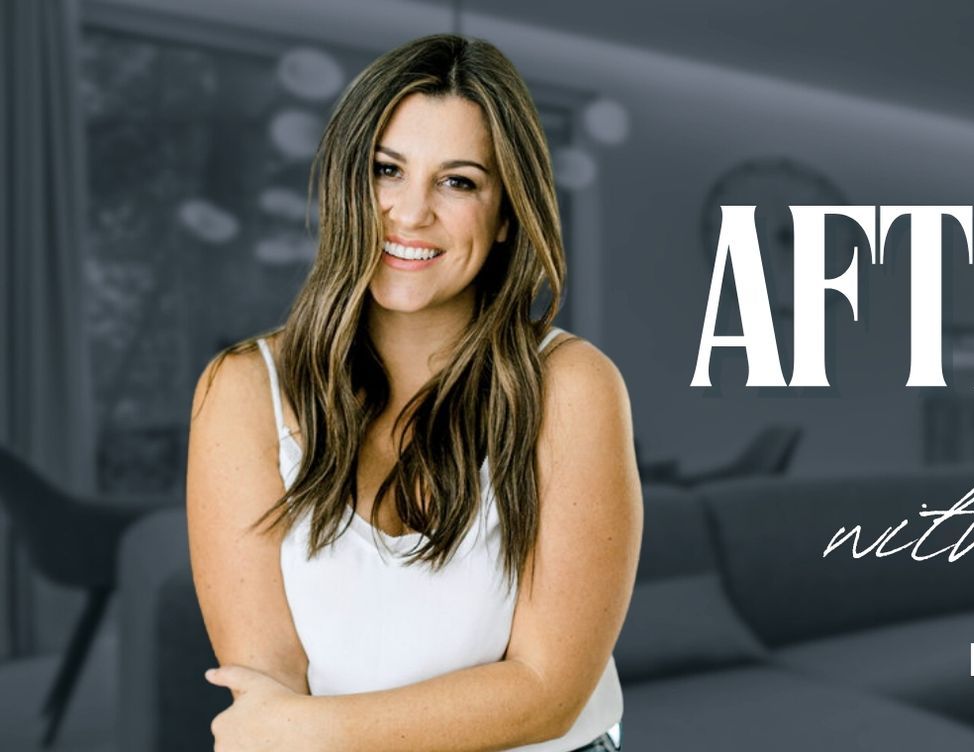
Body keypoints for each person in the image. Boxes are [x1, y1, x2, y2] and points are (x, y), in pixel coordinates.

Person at [185, 34, 641, 752]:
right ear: (345, 184)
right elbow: (265, 683)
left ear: (505, 219)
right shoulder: (242, 391)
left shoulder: (572, 387)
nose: (410, 212)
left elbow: (548, 693)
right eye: (386, 170)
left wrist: (310, 729)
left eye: (458, 181)